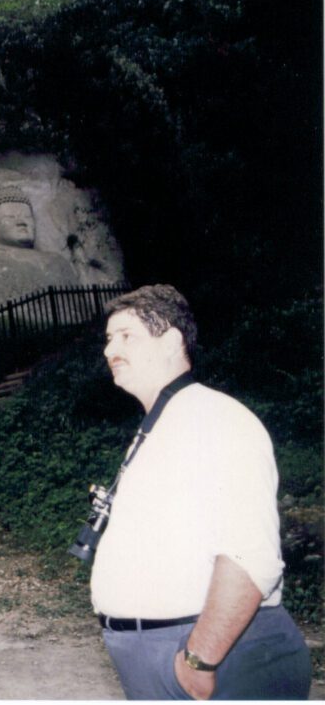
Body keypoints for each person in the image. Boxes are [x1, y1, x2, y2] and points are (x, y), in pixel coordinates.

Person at [89, 284, 311, 700]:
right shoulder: (163, 423)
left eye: (126, 336)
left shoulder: (216, 419)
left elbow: (249, 555)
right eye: (107, 339)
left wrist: (198, 660)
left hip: (218, 661)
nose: (109, 350)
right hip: (166, 656)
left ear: (172, 341)